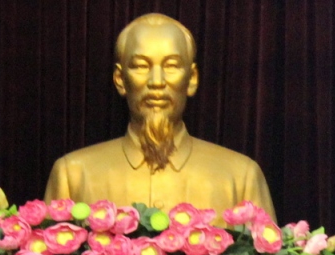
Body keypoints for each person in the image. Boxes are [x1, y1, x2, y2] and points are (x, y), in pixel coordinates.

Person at [43, 13, 276, 220]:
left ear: (192, 78)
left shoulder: (240, 177)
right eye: (141, 66)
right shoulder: (72, 175)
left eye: (172, 65)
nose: (156, 82)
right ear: (120, 79)